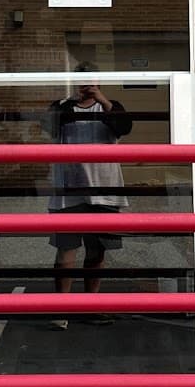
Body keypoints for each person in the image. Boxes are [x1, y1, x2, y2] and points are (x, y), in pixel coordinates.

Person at [47, 64, 132, 330]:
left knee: (97, 251)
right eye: (82, 82)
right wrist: (70, 101)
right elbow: (47, 127)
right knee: (66, 251)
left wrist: (102, 99)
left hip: (104, 190)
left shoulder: (110, 106)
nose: (87, 87)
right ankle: (61, 309)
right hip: (69, 190)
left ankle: (91, 305)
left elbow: (124, 127)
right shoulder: (62, 106)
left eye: (91, 82)